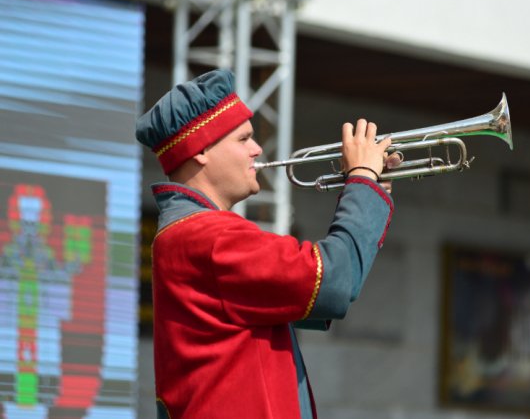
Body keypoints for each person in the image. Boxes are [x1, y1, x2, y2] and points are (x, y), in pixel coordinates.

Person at [136, 69, 398, 419]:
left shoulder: (190, 233)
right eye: (244, 139)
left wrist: (369, 191)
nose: (257, 149)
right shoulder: (208, 236)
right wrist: (363, 182)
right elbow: (334, 281)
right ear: (201, 150)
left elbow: (308, 302)